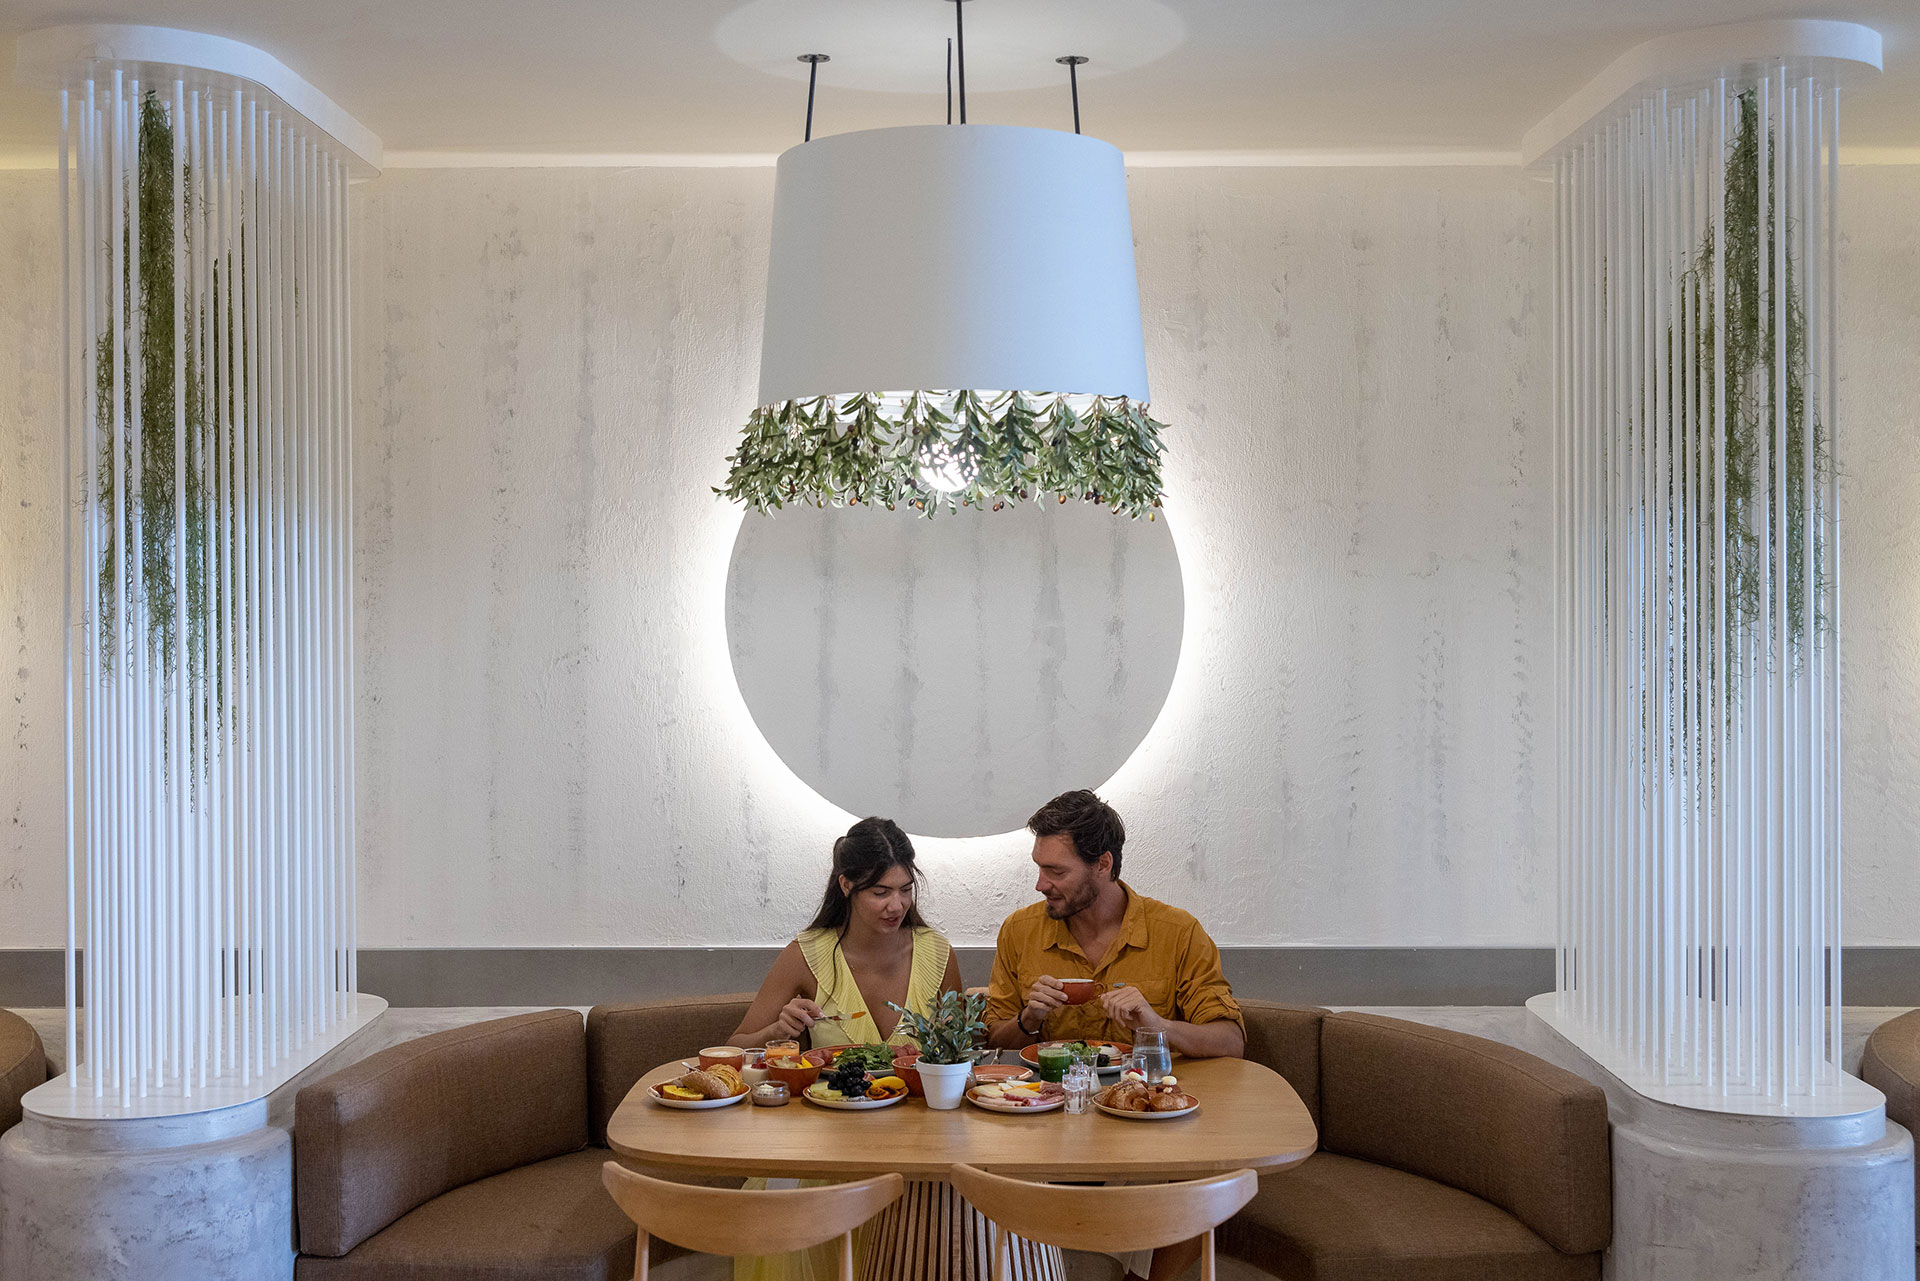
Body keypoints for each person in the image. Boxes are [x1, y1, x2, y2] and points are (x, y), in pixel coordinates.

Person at [985, 790, 1245, 1281]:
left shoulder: (1177, 932)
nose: (1041, 884)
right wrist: (1028, 1019)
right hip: (1049, 1123)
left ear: (1102, 864)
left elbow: (1230, 1040)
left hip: (1142, 1123)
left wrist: (1158, 1026)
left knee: (1206, 1173)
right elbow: (994, 1037)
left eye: (1056, 872)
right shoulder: (1020, 931)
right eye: (1039, 868)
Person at [728, 817, 963, 1281]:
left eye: (905, 889)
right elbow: (735, 1047)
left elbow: (959, 1058)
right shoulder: (808, 952)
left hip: (919, 1154)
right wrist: (779, 1028)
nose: (896, 905)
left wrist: (953, 1044)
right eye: (880, 892)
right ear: (846, 885)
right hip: (824, 1151)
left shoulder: (937, 953)